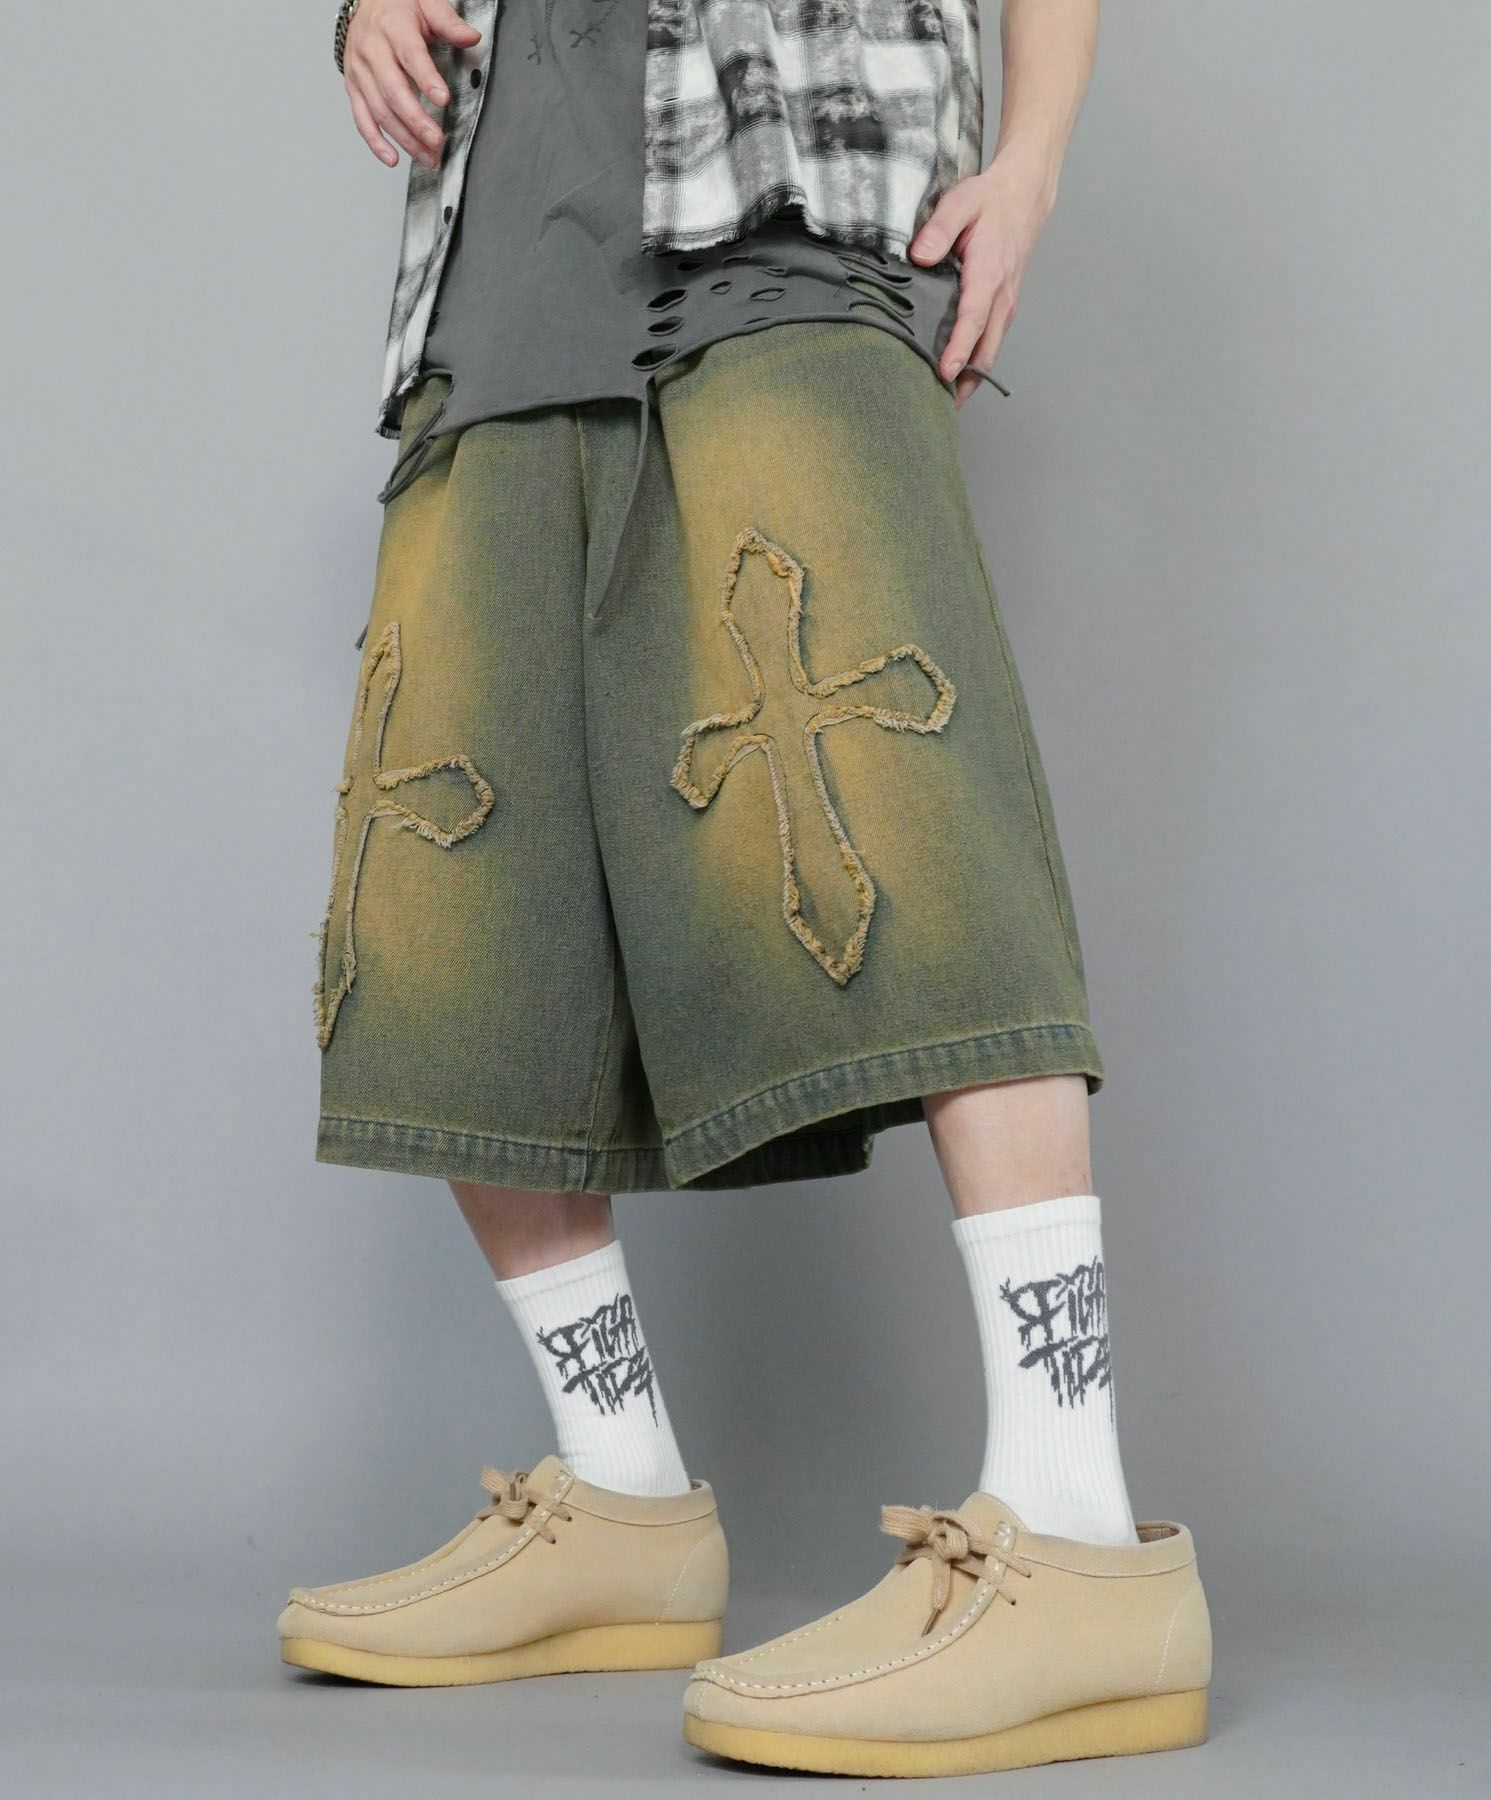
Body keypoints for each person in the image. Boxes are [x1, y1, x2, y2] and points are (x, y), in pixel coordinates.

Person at [279, 0, 1212, 1777]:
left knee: (908, 823)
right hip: (500, 251)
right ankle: (621, 1498)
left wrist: (1029, 162)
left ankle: (1077, 1519)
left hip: (788, 193)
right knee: (452, 906)